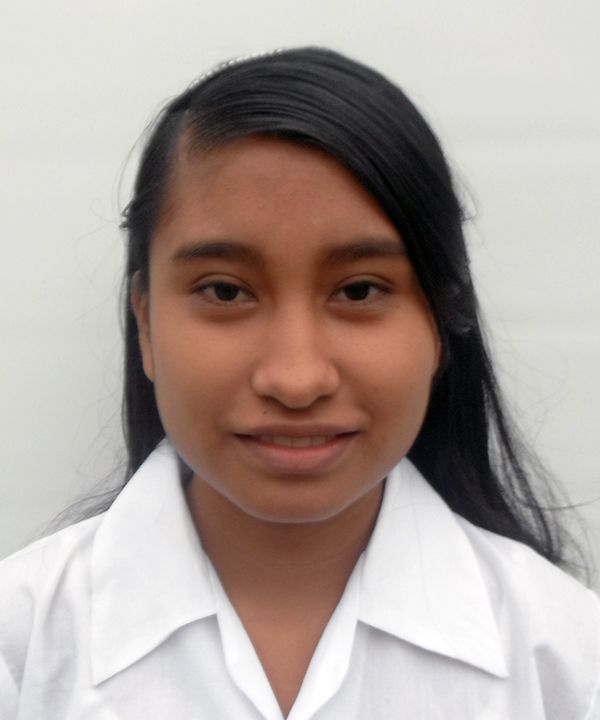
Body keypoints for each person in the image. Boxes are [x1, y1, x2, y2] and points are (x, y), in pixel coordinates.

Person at [0, 47, 598, 720]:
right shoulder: (21, 650)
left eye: (359, 290)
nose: (295, 379)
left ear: (439, 321)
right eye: (226, 291)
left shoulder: (568, 663)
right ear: (145, 322)